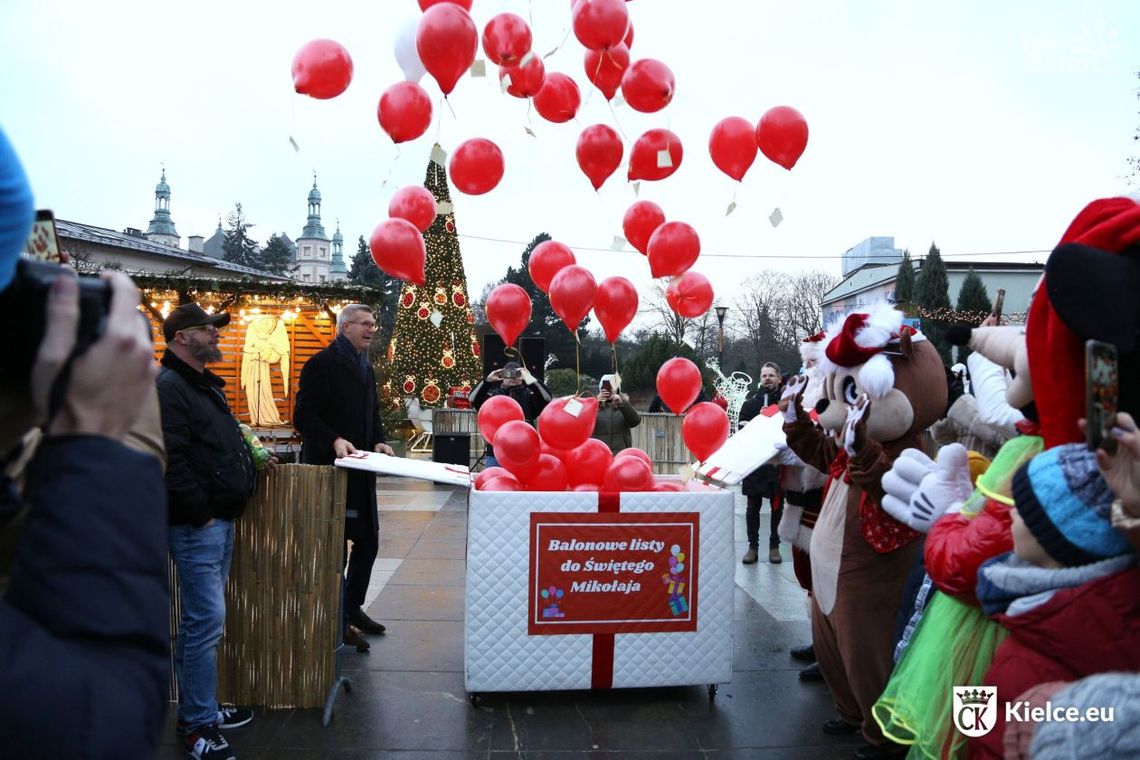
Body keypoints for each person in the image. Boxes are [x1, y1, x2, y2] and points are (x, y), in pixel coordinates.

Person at [159, 302, 267, 759]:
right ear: (183, 337)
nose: (217, 336)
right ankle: (197, 725)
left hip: (216, 521)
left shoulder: (201, 385)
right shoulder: (169, 387)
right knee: (205, 624)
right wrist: (201, 513)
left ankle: (202, 707)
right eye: (208, 329)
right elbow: (172, 459)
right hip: (197, 525)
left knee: (204, 624)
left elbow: (216, 444)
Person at [294, 304, 394, 653]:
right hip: (330, 473)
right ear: (345, 327)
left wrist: (379, 439)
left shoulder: (366, 367)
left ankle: (351, 609)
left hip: (361, 471)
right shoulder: (322, 364)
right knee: (335, 548)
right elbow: (303, 415)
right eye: (365, 324)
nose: (371, 329)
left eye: (373, 324)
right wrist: (334, 439)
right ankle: (336, 619)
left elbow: (373, 413)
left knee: (368, 542)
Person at [737, 362, 784, 564]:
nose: (767, 378)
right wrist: (758, 420)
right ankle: (752, 547)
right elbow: (740, 434)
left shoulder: (787, 404)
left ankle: (775, 546)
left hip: (777, 463)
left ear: (779, 378)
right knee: (752, 507)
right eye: (764, 375)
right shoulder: (749, 405)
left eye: (771, 375)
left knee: (777, 507)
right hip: (755, 464)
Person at [469, 360, 551, 466]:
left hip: (523, 452)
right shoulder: (493, 397)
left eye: (516, 374)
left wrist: (530, 379)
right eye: (508, 374)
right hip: (496, 453)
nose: (512, 378)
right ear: (502, 376)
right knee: (494, 480)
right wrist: (487, 380)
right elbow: (472, 399)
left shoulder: (529, 397)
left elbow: (547, 398)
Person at [590, 374, 641, 455]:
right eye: (605, 387)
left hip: (620, 454)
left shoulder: (623, 405)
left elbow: (635, 421)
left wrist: (622, 403)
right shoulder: (594, 406)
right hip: (599, 454)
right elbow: (584, 424)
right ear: (601, 389)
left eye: (611, 387)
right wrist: (595, 403)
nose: (609, 390)